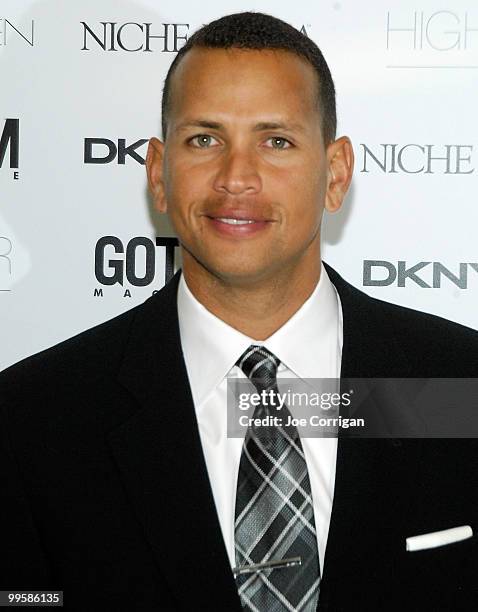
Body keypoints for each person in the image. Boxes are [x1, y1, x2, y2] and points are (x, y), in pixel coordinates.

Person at [1, 11, 477, 612]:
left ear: (335, 175)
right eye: (205, 139)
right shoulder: (33, 422)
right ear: (157, 172)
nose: (236, 178)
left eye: (276, 141)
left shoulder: (459, 386)